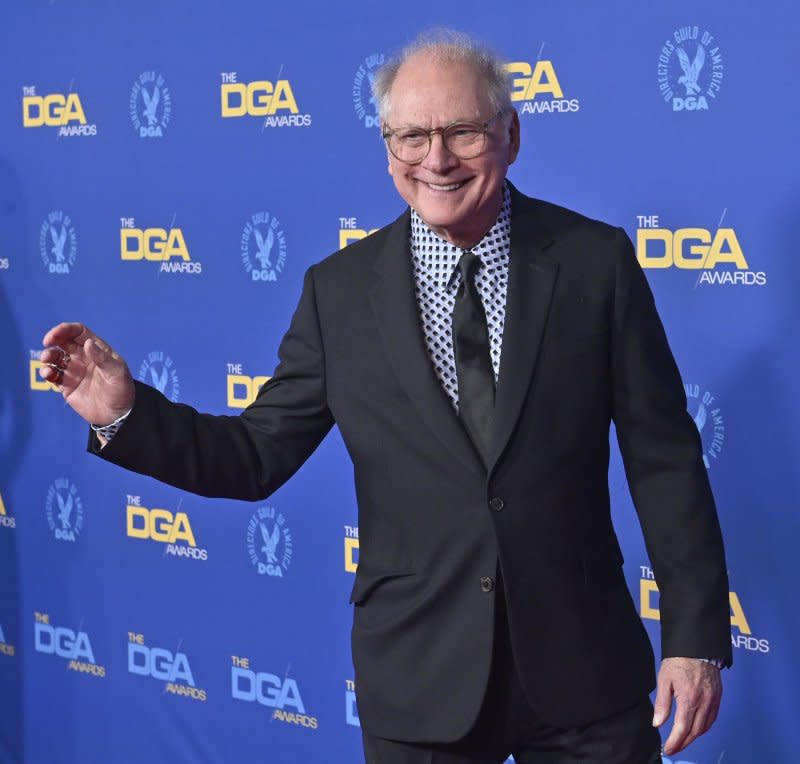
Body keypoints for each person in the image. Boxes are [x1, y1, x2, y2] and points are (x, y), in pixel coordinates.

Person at [40, 30, 731, 764]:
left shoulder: (597, 264)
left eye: (462, 132)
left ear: (511, 134)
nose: (436, 159)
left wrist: (693, 640)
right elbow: (252, 457)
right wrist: (125, 413)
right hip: (420, 679)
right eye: (411, 137)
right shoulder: (337, 294)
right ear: (388, 148)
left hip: (585, 672)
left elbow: (665, 459)